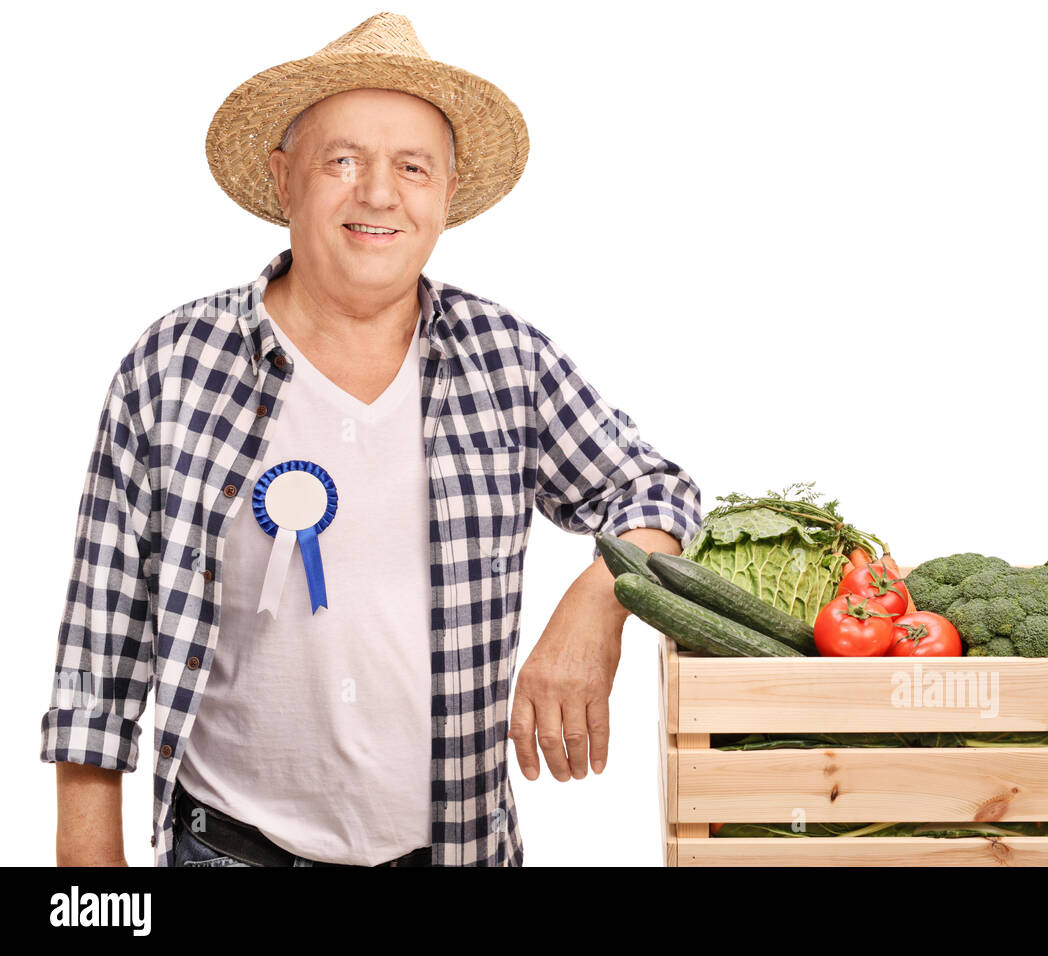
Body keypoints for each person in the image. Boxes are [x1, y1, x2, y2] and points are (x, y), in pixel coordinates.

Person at [41, 12, 702, 867]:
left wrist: (598, 600)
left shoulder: (508, 361)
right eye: (343, 161)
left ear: (447, 192)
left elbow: (658, 491)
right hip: (225, 851)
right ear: (285, 180)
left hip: (454, 851)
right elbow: (101, 643)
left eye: (412, 167)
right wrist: (89, 886)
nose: (379, 194)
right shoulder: (170, 364)